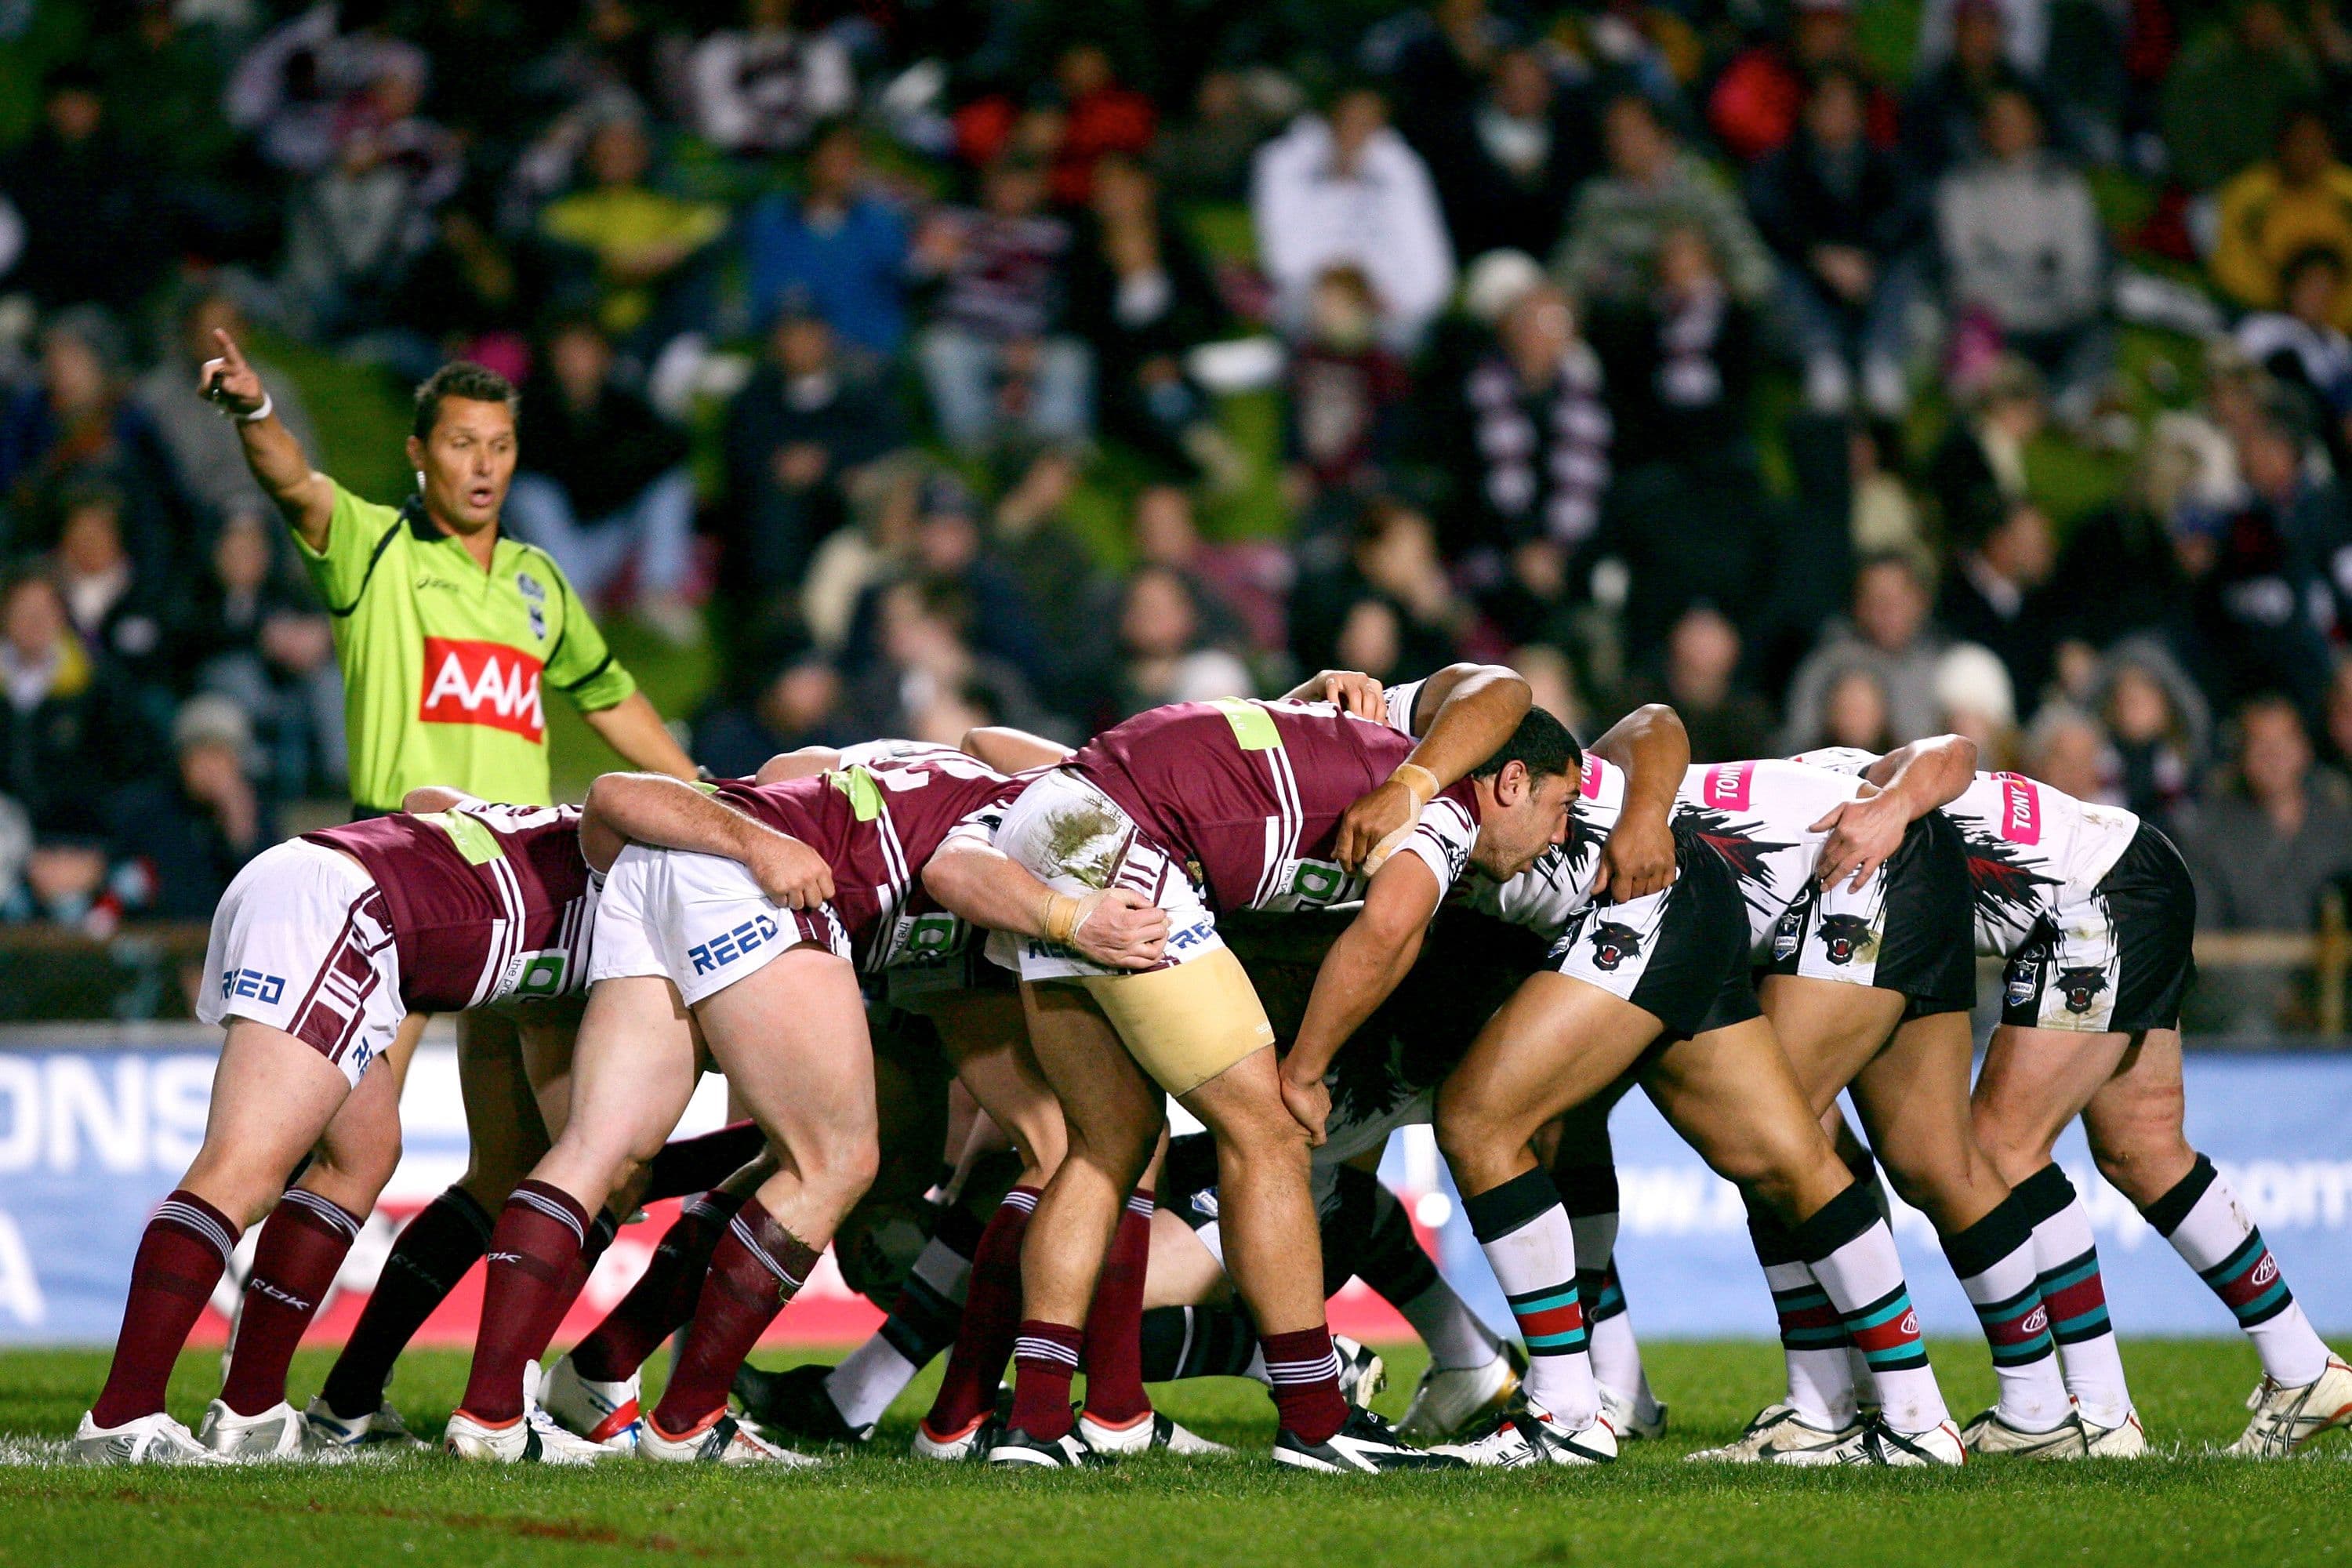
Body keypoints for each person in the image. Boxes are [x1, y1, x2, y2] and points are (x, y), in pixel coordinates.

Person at [442, 748, 1169, 1464]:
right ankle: (689, 1422)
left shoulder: (956, 779)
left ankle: (499, 1414)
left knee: (603, 1146)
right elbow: (955, 869)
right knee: (835, 1162)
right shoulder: (1059, 820)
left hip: (664, 869)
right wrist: (1073, 921)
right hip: (762, 885)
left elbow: (797, 767)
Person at [66, 778, 786, 1463]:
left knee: (363, 1153)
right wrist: (788, 1147)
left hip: (336, 891)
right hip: (347, 913)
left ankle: (252, 1410)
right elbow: (611, 1162)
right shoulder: (660, 919)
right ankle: (123, 1414)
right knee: (243, 1168)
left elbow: (427, 801)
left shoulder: (599, 859)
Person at [952, 669, 1563, 1469]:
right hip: (1128, 845)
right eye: (1560, 809)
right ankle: (1316, 1417)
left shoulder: (1350, 741)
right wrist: (1304, 1070)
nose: (1560, 834)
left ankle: (1033, 1424)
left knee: (1105, 1145)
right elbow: (1385, 931)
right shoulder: (1443, 807)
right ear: (1509, 782)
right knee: (1268, 1132)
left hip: (1054, 826)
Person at [1801, 737, 2352, 1456]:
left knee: (2001, 1146)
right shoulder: (1831, 775)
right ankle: (2303, 1366)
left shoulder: (1822, 812)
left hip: (2092, 904)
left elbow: (1954, 752)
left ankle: (2098, 1410)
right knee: (2144, 1148)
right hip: (2134, 863)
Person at [199, 332, 695, 815]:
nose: (484, 465)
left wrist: (700, 786)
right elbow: (294, 484)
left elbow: (607, 696)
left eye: (500, 447)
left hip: (515, 858)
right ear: (419, 453)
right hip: (406, 851)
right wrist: (256, 414)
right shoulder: (374, 543)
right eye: (463, 444)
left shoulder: (538, 575)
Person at [504, 314, 699, 644]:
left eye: (585, 353)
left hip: (609, 537)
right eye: (567, 354)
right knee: (532, 495)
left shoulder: (623, 403)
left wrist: (614, 471)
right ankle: (575, 604)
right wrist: (611, 469)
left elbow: (674, 446)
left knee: (671, 485)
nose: (577, 364)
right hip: (550, 553)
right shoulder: (529, 408)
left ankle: (659, 594)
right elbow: (529, 472)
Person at [1933, 88, 2109, 418]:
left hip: (2055, 319)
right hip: (1996, 322)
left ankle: (2066, 404)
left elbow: (2080, 267)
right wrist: (2034, 275)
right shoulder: (1961, 188)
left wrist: (2044, 290)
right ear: (1984, 129)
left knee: (2097, 323)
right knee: (1968, 323)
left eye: (2016, 121)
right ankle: (1996, 395)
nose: (2007, 130)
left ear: (2036, 128)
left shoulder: (2066, 187)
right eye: (1998, 121)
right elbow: (1964, 271)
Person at [1250, 85, 1457, 352]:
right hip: (1310, 311)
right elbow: (1282, 259)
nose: (1357, 133)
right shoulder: (1285, 163)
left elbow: (1431, 273)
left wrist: (1381, 292)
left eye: (1368, 125)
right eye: (1349, 122)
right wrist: (1341, 289)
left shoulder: (1402, 170)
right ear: (1330, 121)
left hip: (1390, 316)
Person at [1782, 552, 1950, 750]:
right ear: (1858, 605)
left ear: (1921, 601)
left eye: (1897, 599)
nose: (1887, 611)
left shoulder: (1947, 662)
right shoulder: (1829, 664)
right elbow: (1795, 745)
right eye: (1877, 599)